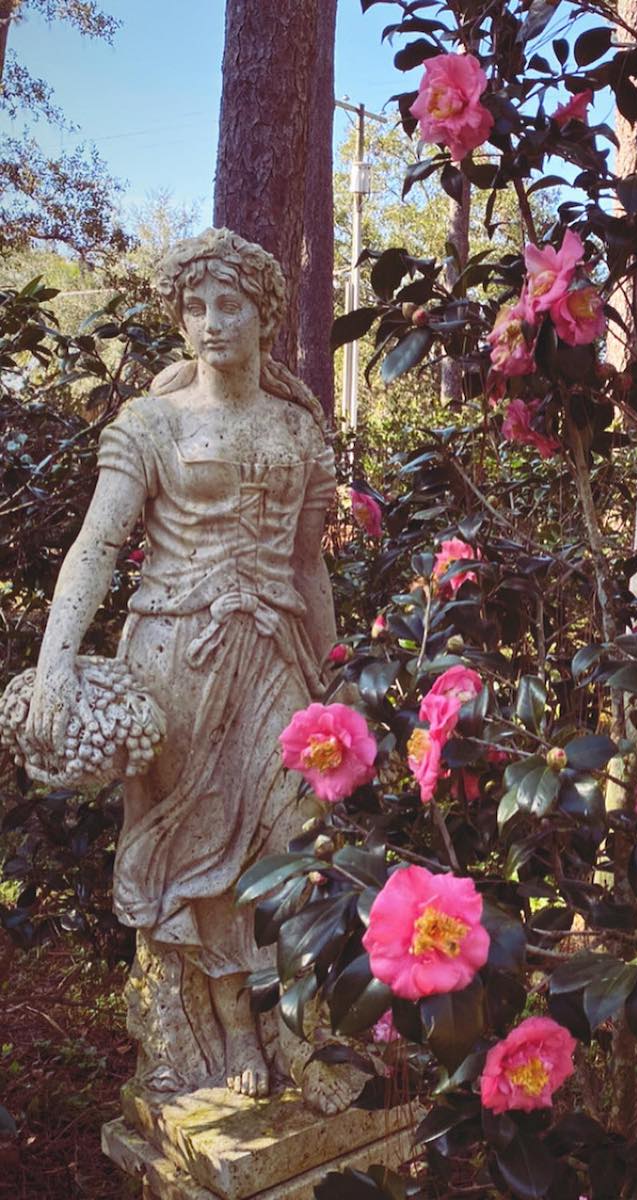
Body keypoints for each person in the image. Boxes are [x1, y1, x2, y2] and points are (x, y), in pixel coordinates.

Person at [27, 229, 336, 1097]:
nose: (210, 322)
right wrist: (57, 663)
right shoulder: (150, 424)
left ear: (264, 314)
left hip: (275, 653)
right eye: (194, 307)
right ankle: (235, 1037)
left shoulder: (297, 425)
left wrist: (334, 673)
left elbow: (308, 564)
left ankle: (306, 1033)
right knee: (204, 859)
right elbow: (96, 545)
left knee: (301, 839)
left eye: (229, 304)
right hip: (174, 659)